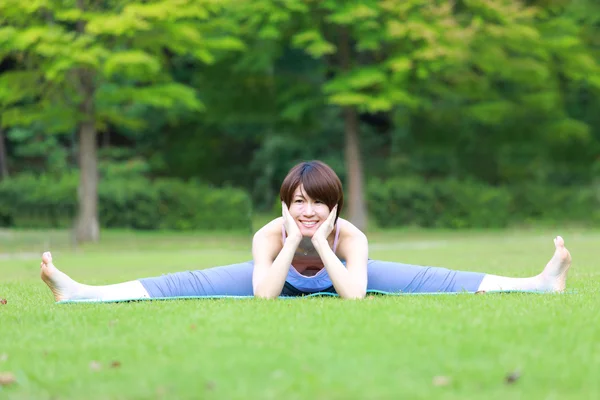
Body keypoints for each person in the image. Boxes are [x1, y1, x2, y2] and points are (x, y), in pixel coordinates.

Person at [40, 160, 572, 302]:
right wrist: (293, 238)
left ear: (336, 205)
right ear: (285, 202)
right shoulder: (270, 236)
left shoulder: (352, 238)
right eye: (299, 203)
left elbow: (355, 295)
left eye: (320, 204)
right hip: (279, 273)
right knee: (185, 282)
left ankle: (539, 284)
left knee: (437, 277)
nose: (309, 210)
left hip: (338, 269)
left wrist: (322, 241)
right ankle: (80, 291)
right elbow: (266, 295)